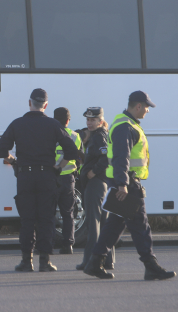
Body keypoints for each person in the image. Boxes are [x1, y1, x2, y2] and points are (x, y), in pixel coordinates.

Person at [84, 91, 176, 280]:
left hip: (125, 181)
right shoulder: (125, 127)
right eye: (147, 107)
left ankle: (94, 263)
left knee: (115, 225)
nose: (148, 111)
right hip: (128, 183)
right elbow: (120, 157)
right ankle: (151, 266)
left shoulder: (126, 124)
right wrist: (122, 184)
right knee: (141, 225)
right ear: (139, 106)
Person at [0, 89, 77, 272]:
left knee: (27, 220)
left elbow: (1, 150)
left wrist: (15, 161)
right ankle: (45, 261)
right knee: (46, 219)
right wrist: (59, 166)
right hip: (47, 176)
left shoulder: (17, 124)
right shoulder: (53, 125)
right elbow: (72, 151)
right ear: (46, 105)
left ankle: (26, 261)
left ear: (29, 102)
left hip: (25, 176)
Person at [75, 107, 115, 271]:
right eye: (88, 120)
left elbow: (106, 157)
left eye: (93, 120)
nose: (89, 123)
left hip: (96, 184)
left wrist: (93, 171)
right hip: (100, 184)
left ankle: (90, 261)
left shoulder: (99, 136)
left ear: (100, 121)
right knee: (103, 223)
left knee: (94, 225)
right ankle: (107, 260)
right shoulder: (97, 135)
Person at [53, 107, 83, 255]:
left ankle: (46, 244)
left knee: (47, 212)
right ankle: (68, 245)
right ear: (68, 120)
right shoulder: (75, 136)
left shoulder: (48, 134)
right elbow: (80, 158)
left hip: (52, 177)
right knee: (68, 213)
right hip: (68, 179)